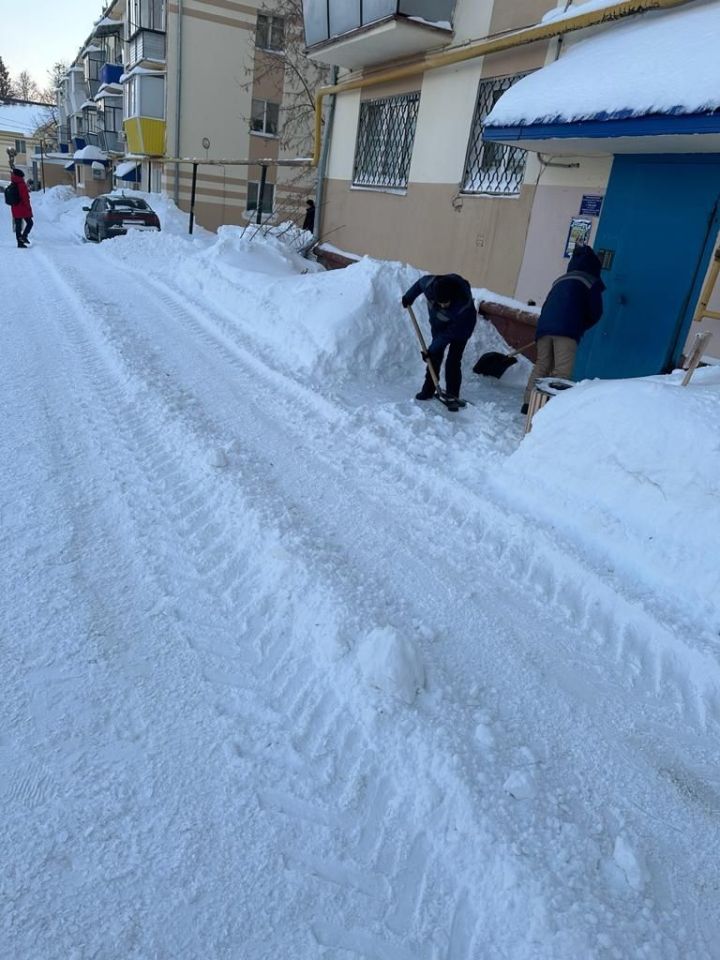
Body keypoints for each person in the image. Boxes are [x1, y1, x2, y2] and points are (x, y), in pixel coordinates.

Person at [521, 244, 605, 413]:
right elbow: (595, 312)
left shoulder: (560, 280)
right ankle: (549, 411)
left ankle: (528, 403)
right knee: (562, 372)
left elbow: (547, 304)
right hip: (567, 331)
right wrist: (580, 326)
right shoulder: (590, 282)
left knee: (542, 365)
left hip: (544, 328)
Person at [402, 273, 477, 402]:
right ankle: (428, 389)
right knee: (434, 357)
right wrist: (409, 297)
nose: (442, 305)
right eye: (440, 302)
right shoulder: (430, 286)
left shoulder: (461, 304)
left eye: (446, 303)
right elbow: (420, 283)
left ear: (451, 297)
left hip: (462, 328)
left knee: (453, 360)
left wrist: (431, 350)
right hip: (439, 325)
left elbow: (447, 335)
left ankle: (453, 395)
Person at [9, 168, 33, 248]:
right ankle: (24, 236)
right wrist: (29, 207)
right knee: (30, 223)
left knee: (18, 226)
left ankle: (19, 243)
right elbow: (25, 198)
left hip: (15, 208)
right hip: (22, 208)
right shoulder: (22, 185)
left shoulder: (13, 183)